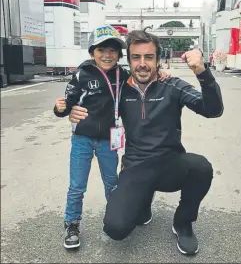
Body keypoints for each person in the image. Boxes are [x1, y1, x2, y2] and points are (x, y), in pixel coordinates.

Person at [68, 30, 224, 255]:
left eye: (149, 57)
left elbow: (213, 110)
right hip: (136, 167)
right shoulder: (119, 89)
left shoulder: (172, 85)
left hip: (169, 163)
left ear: (158, 60)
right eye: (136, 57)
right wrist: (73, 111)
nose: (142, 64)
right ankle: (143, 203)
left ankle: (183, 222)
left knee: (201, 167)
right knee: (116, 228)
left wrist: (202, 73)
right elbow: (92, 98)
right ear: (128, 60)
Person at [54, 25, 170, 249]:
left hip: (109, 140)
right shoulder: (82, 73)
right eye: (101, 50)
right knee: (77, 185)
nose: (107, 55)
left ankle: (119, 217)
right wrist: (63, 110)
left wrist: (161, 73)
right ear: (91, 52)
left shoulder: (124, 75)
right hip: (82, 140)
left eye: (112, 51)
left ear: (119, 54)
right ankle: (72, 223)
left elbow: (145, 81)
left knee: (112, 183)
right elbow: (67, 103)